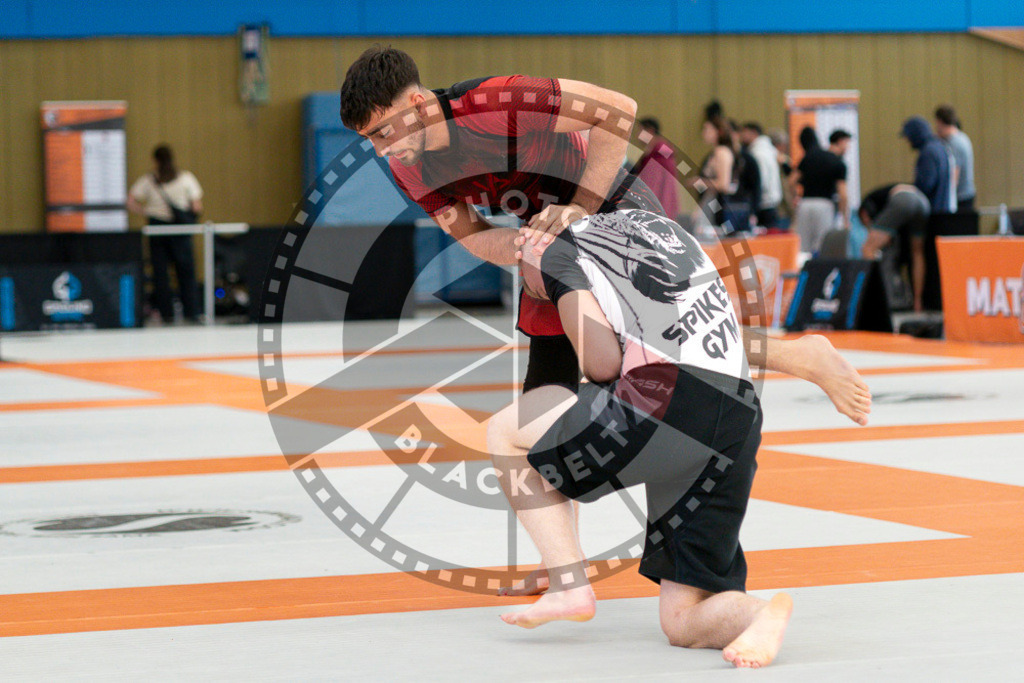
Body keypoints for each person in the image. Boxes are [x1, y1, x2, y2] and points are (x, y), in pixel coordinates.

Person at [340, 46, 870, 422]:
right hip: (548, 238)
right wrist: (527, 245)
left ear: (415, 106)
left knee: (667, 347)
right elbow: (474, 237)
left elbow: (618, 111)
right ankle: (562, 570)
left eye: (383, 133)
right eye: (370, 141)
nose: (382, 152)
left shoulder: (495, 104)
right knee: (542, 403)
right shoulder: (409, 166)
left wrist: (579, 208)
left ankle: (804, 355)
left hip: (607, 201)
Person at [488, 208, 820, 668]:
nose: (533, 296)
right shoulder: (661, 232)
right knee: (682, 620)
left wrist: (553, 278)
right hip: (737, 412)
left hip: (666, 399)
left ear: (529, 246)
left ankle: (570, 585)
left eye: (527, 285)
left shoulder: (555, 254)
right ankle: (758, 614)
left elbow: (601, 364)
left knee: (505, 431)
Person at [127, 145, 203, 324]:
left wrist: (147, 211)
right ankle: (192, 312)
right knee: (186, 272)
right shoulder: (186, 178)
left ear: (155, 160)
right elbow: (197, 206)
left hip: (157, 229)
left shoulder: (149, 180)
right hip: (180, 230)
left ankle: (166, 313)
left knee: (161, 274)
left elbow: (130, 201)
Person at [859, 184, 931, 312]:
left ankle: (874, 303)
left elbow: (879, 236)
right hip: (923, 202)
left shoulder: (867, 205)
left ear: (863, 215)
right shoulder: (882, 199)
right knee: (917, 253)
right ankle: (918, 302)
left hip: (903, 200)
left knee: (867, 249)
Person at [789, 127, 848, 253]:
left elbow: (792, 180)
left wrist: (795, 197)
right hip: (824, 205)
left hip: (805, 204)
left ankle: (802, 272)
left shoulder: (810, 157)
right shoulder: (838, 163)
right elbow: (843, 195)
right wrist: (845, 219)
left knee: (802, 246)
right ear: (841, 142)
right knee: (822, 245)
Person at [901, 116, 955, 215]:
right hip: (943, 210)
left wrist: (906, 190)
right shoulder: (939, 146)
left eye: (909, 138)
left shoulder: (928, 152)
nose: (908, 142)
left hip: (933, 213)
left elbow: (925, 185)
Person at [633, 117, 680, 221]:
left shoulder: (659, 155)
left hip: (658, 209)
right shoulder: (655, 153)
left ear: (650, 130)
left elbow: (653, 187)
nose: (637, 135)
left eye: (640, 131)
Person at [740, 122, 783, 230]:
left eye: (744, 132)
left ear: (753, 133)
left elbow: (761, 181)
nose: (741, 136)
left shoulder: (758, 153)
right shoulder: (768, 150)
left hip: (764, 204)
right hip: (770, 203)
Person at [934, 105, 976, 212]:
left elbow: (953, 175)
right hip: (966, 194)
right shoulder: (962, 137)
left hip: (960, 198)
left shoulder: (954, 144)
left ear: (940, 122)